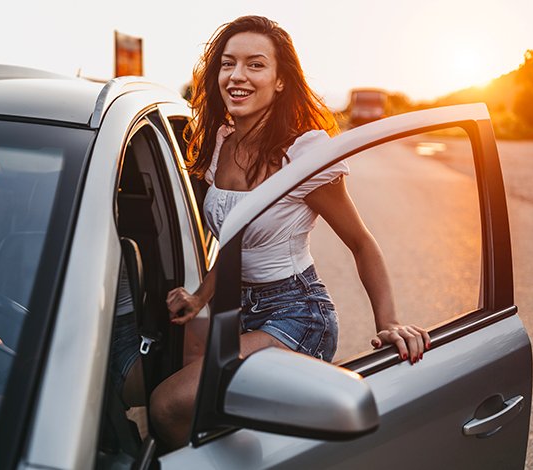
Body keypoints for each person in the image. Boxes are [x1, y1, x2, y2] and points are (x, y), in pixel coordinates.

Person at [150, 15, 430, 449]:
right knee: (217, 425)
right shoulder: (221, 141)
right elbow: (234, 241)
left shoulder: (304, 154)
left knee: (167, 405)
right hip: (236, 308)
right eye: (228, 64)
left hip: (297, 313)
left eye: (255, 64)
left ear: (281, 80)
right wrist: (199, 298)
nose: (237, 76)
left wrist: (388, 320)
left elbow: (360, 242)